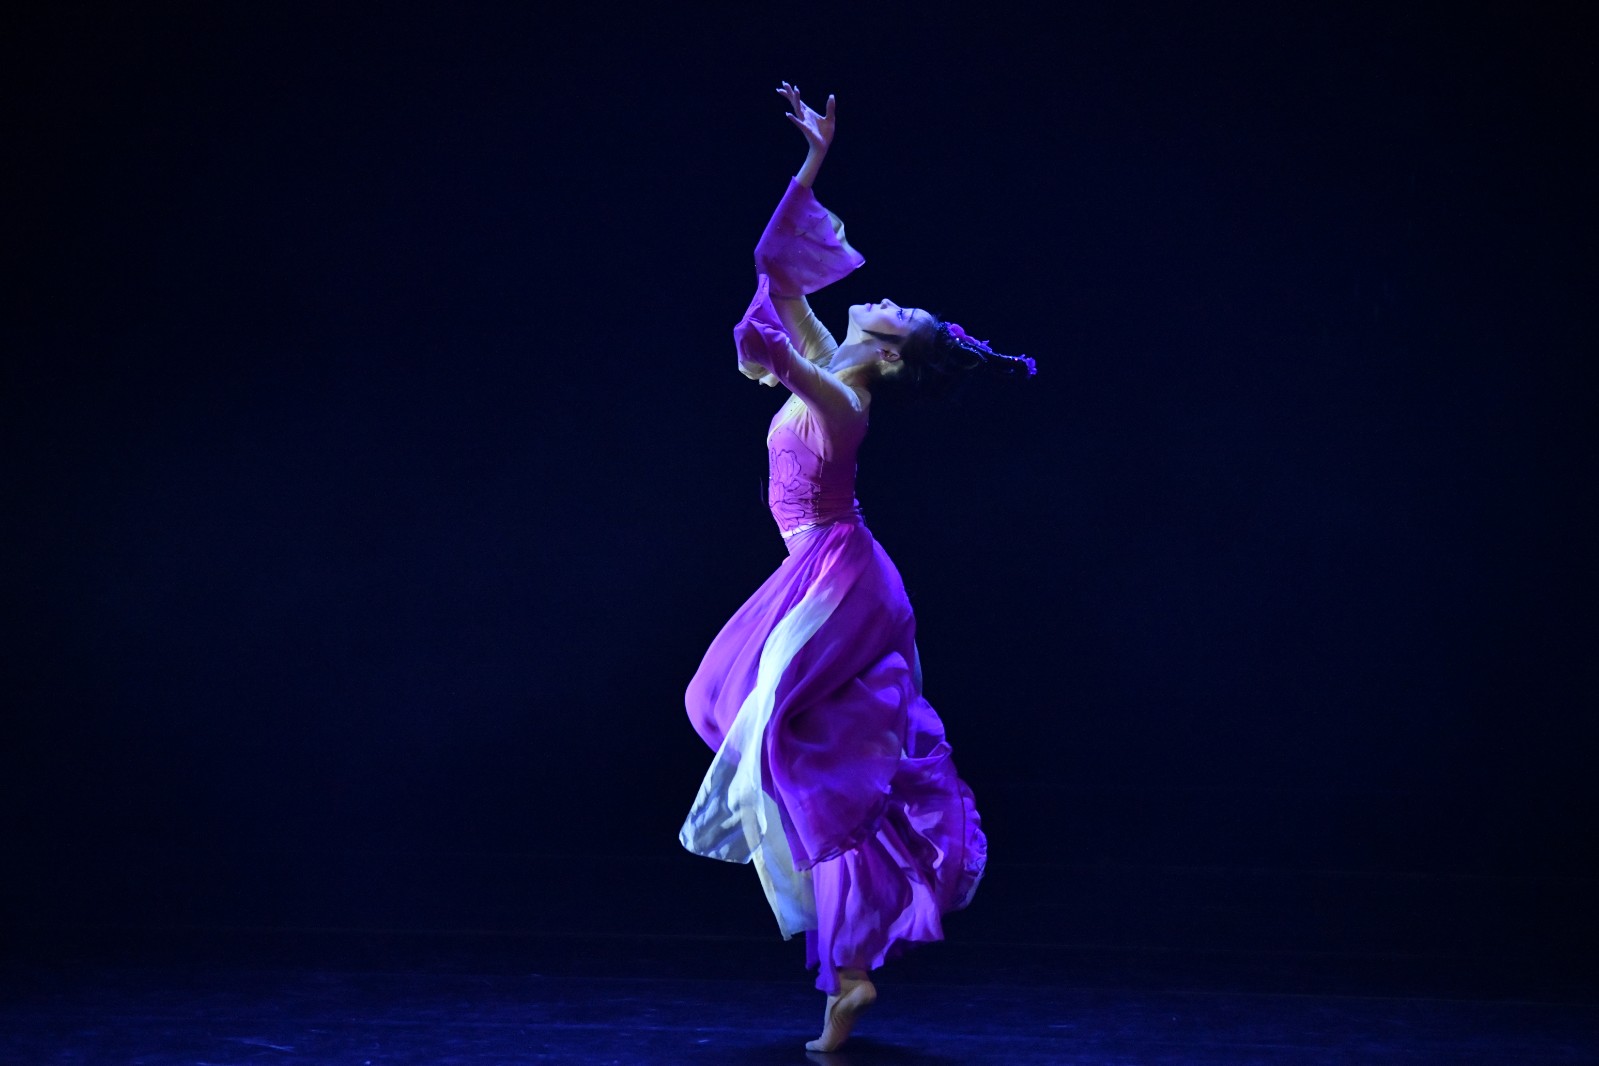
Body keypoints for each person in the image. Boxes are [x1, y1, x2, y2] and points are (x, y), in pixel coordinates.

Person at [679, 82, 1034, 1054]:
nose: (883, 296)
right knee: (787, 746)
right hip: (822, 573)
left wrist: (773, 338)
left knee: (771, 737)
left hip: (838, 582)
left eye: (897, 309)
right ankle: (849, 974)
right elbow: (779, 278)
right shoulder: (836, 365)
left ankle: (849, 959)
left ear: (891, 349)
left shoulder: (839, 399)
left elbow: (774, 320)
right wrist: (814, 157)